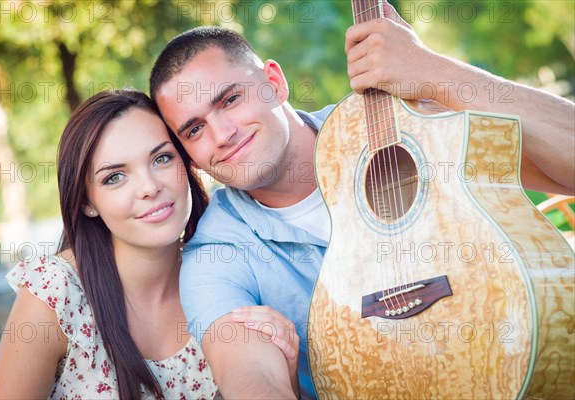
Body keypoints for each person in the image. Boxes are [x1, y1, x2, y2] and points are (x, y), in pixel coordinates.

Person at [149, 1, 574, 398]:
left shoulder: (409, 122)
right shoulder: (217, 252)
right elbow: (246, 370)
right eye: (194, 130)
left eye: (231, 99)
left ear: (274, 83)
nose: (222, 134)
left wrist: (431, 70)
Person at [0, 90, 300, 399]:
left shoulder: (225, 278)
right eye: (114, 177)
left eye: (162, 158)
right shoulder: (56, 294)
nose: (149, 187)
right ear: (86, 202)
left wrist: (285, 379)